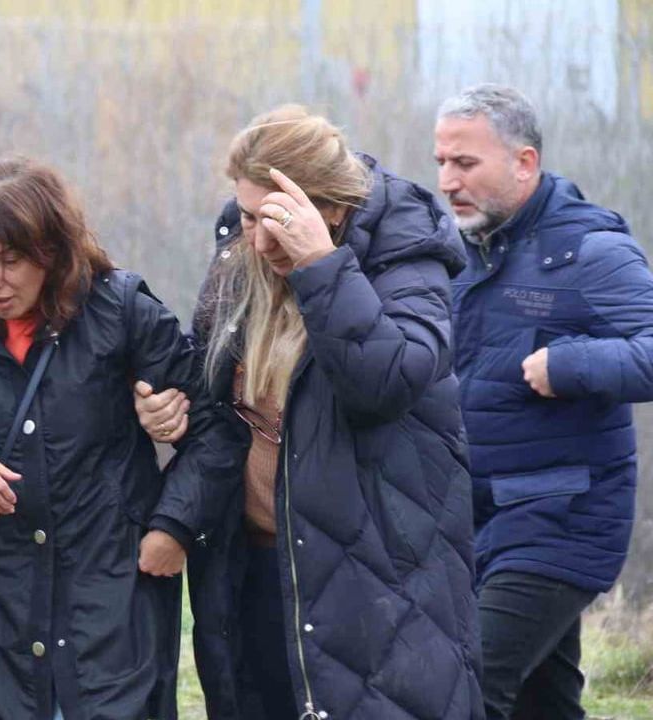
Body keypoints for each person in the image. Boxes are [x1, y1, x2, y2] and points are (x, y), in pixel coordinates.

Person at [139, 105, 484, 719]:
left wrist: (320, 266)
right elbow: (215, 389)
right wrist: (170, 406)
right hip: (255, 566)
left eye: (275, 219)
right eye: (247, 217)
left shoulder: (405, 252)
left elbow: (384, 380)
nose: (260, 240)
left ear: (330, 206)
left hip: (377, 579)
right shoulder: (239, 257)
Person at [0, 159, 242, 720]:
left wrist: (174, 527)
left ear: (51, 249)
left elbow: (216, 431)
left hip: (111, 601)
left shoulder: (123, 312)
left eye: (10, 261)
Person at [434, 83, 653, 720]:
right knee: (544, 706)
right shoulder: (461, 257)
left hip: (563, 519)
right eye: (442, 162)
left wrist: (574, 363)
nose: (449, 181)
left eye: (466, 163)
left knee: (464, 690)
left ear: (524, 162)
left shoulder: (590, 252)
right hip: (481, 521)